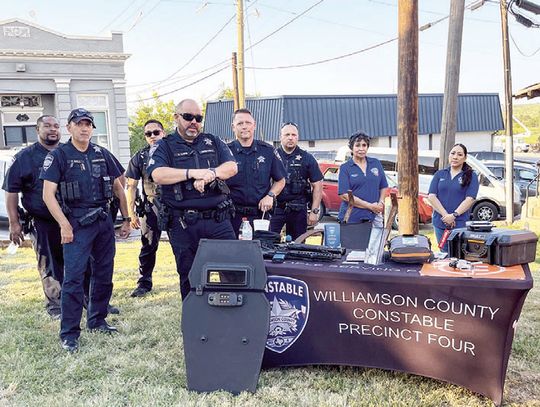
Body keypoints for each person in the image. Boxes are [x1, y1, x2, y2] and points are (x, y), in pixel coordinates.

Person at [41, 108, 131, 352]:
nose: (84, 128)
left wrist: (126, 218)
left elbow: (118, 187)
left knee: (104, 273)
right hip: (76, 223)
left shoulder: (102, 153)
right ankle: (69, 333)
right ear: (69, 127)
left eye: (88, 124)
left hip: (102, 221)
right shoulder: (59, 155)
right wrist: (64, 224)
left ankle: (98, 319)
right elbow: (48, 195)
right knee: (73, 278)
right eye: (79, 124)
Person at [147, 99, 237, 300]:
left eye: (198, 118)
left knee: (232, 272)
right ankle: (195, 325)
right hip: (183, 223)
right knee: (189, 276)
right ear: (176, 117)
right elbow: (158, 174)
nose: (193, 122)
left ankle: (229, 324)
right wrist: (194, 173)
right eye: (188, 117)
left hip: (218, 220)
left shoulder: (213, 141)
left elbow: (232, 167)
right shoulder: (164, 145)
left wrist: (211, 173)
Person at [2, 115, 63, 319]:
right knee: (49, 263)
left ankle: (87, 300)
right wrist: (14, 222)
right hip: (42, 220)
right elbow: (11, 191)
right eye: (47, 126)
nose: (52, 129)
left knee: (82, 261)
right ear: (37, 130)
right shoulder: (24, 157)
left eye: (56, 126)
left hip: (71, 219)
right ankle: (55, 306)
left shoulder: (67, 152)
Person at [226, 108, 286, 235]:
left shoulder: (268, 151)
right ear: (233, 127)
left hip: (260, 216)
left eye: (248, 123)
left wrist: (270, 195)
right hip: (231, 216)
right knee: (232, 253)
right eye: (240, 123)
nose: (244, 127)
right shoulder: (225, 152)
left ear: (254, 126)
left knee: (261, 253)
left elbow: (280, 180)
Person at [126, 119, 165, 297]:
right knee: (148, 246)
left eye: (156, 132)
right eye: (148, 134)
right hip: (150, 206)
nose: (152, 136)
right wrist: (131, 214)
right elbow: (131, 186)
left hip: (176, 205)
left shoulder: (174, 152)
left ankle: (190, 279)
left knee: (184, 246)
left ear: (163, 133)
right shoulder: (140, 157)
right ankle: (144, 283)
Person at [269, 122, 323, 240]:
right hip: (275, 209)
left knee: (298, 245)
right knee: (269, 243)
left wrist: (314, 211)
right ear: (280, 137)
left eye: (293, 135)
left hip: (298, 209)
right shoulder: (271, 156)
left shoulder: (307, 158)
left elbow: (318, 186)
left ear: (298, 137)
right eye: (287, 134)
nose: (290, 137)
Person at [428, 143, 479, 252]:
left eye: (460, 154)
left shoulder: (471, 175)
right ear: (449, 155)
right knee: (444, 255)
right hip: (440, 222)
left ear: (465, 158)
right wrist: (446, 215)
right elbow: (432, 196)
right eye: (453, 153)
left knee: (459, 254)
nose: (455, 157)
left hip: (459, 223)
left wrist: (454, 215)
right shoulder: (440, 174)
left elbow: (470, 199)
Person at [337, 132, 388, 223]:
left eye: (364, 145)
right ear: (351, 148)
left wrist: (381, 203)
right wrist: (370, 206)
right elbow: (344, 195)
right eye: (357, 145)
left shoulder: (375, 163)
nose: (361, 149)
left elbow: (383, 186)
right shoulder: (345, 168)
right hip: (352, 217)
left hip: (374, 216)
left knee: (377, 238)